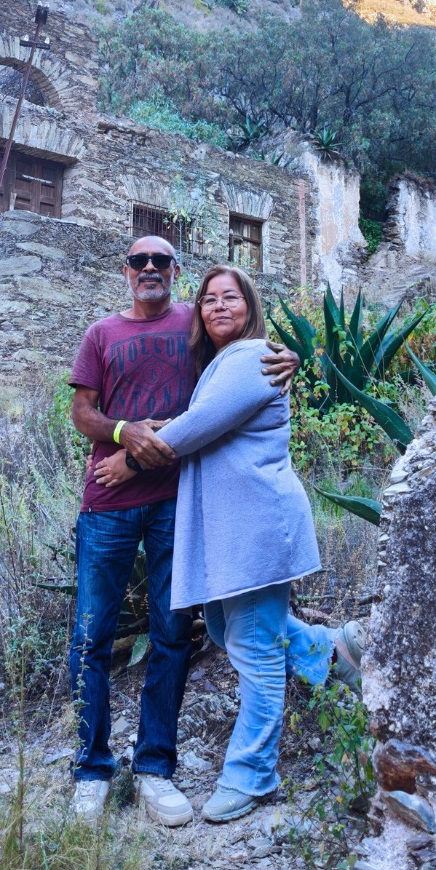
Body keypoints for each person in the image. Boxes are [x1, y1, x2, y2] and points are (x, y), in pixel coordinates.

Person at [95, 264, 365, 823]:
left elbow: (196, 427)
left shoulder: (252, 358)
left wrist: (128, 460)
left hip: (255, 526)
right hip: (233, 532)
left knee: (255, 651)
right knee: (225, 630)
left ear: (251, 305)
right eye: (209, 299)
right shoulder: (227, 363)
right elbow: (200, 416)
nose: (219, 306)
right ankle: (331, 650)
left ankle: (252, 775)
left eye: (231, 297)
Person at [67, 236, 299, 827]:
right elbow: (82, 413)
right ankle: (91, 771)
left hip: (176, 504)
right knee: (92, 637)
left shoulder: (196, 331)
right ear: (126, 270)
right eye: (139, 261)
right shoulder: (101, 334)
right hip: (108, 502)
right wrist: (122, 435)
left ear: (175, 271)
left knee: (173, 635)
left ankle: (154, 767)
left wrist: (288, 357)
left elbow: (229, 384)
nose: (149, 268)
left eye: (161, 261)